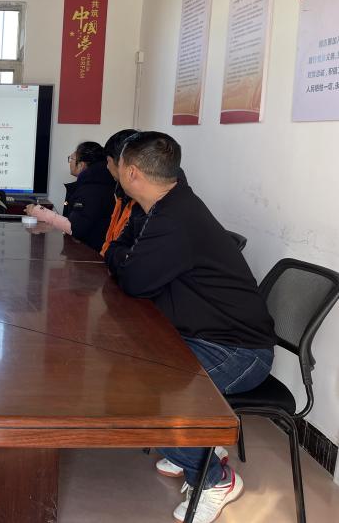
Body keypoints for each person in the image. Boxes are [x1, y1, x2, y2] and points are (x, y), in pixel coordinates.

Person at [104, 131, 276, 523]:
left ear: (131, 172)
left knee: (141, 399)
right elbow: (121, 253)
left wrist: (124, 259)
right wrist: (124, 258)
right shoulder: (164, 205)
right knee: (124, 368)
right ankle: (197, 447)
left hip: (238, 351)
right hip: (201, 334)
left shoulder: (175, 219)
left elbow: (133, 279)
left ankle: (216, 479)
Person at [26, 141, 115, 251]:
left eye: (71, 159)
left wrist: (41, 212)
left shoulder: (91, 190)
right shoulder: (97, 184)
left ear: (81, 165)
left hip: (89, 254)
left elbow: (76, 228)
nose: (70, 163)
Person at [100, 128, 139, 256]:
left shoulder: (142, 200)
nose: (107, 167)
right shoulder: (121, 192)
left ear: (121, 162)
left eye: (108, 161)